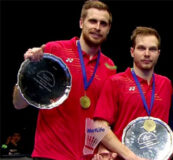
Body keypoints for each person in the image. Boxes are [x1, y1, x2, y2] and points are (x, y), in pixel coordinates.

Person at [12, 1, 117, 159]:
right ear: (81, 23)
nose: (97, 27)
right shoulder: (55, 50)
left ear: (108, 29)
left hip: (88, 157)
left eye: (103, 23)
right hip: (50, 154)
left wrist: (102, 148)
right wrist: (28, 73)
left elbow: (102, 119)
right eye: (93, 21)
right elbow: (18, 104)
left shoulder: (110, 67)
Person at [92, 26, 173, 159]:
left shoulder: (166, 84)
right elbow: (98, 126)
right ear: (132, 51)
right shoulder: (116, 82)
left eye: (152, 49)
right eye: (141, 48)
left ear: (158, 53)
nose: (147, 53)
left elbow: (168, 128)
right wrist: (129, 155)